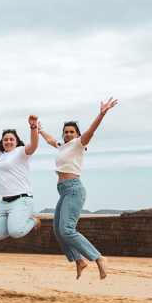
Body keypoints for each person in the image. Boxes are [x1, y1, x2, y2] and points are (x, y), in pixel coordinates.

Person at [39, 98, 117, 280]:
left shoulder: (80, 143)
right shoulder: (62, 146)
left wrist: (102, 113)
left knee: (67, 229)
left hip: (74, 189)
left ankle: (98, 258)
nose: (68, 134)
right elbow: (51, 140)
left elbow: (92, 130)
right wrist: (38, 128)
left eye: (71, 132)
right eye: (66, 132)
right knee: (58, 231)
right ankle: (79, 261)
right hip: (64, 191)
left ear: (77, 134)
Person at [0, 114, 42, 243]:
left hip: (21, 199)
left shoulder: (21, 152)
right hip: (4, 202)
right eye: (5, 139)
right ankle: (20, 220)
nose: (8, 142)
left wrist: (33, 127)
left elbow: (34, 144)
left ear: (16, 141)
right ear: (2, 142)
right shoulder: (1, 156)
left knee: (16, 232)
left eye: (11, 139)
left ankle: (33, 220)